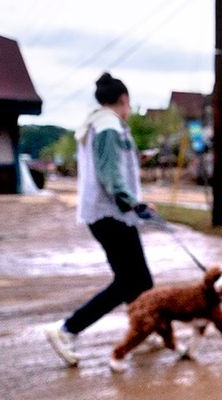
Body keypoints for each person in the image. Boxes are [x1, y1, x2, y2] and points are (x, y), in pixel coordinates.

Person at [45, 73, 155, 369]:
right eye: (129, 104)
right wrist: (133, 202)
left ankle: (147, 329)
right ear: (123, 100)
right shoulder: (108, 124)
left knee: (141, 281)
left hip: (110, 214)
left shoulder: (96, 121)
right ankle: (67, 329)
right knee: (129, 281)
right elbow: (110, 173)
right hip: (111, 214)